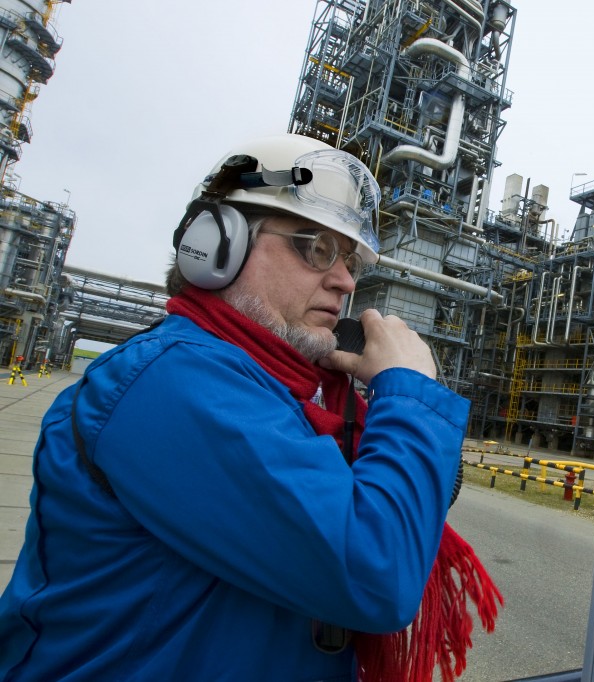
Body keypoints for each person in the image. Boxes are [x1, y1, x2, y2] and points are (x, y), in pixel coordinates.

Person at [0, 133, 500, 680]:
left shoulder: (282, 394)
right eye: (316, 248)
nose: (345, 279)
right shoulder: (173, 383)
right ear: (219, 244)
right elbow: (375, 572)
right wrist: (406, 392)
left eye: (350, 258)